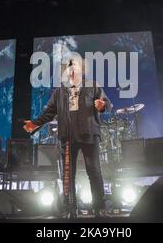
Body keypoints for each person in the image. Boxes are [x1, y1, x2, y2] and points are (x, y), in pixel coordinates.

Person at [24, 57, 112, 218]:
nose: (71, 70)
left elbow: (107, 103)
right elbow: (49, 112)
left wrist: (102, 105)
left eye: (75, 66)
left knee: (94, 170)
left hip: (89, 134)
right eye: (68, 68)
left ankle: (99, 207)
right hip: (68, 137)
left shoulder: (92, 85)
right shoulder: (59, 91)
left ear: (81, 70)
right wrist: (35, 124)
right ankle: (70, 208)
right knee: (68, 174)